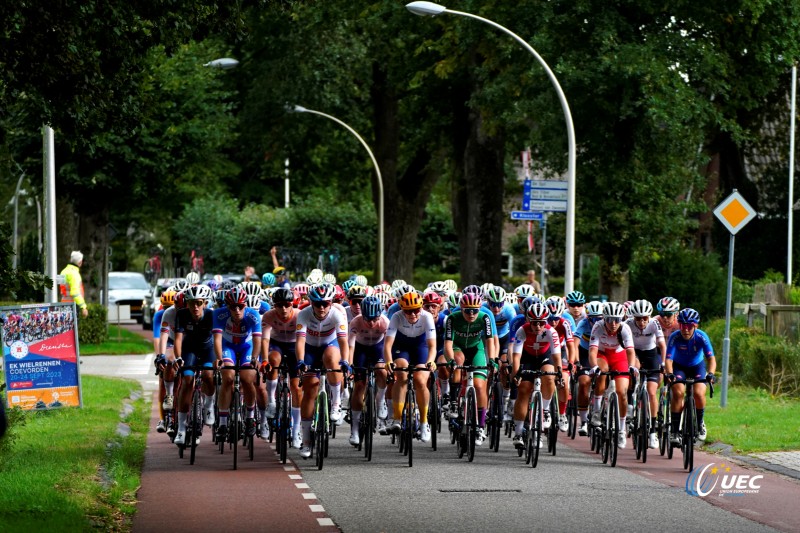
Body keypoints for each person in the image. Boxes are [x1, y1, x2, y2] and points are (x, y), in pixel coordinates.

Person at [295, 283, 349, 459]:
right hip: (310, 349)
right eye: (317, 304)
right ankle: (306, 441)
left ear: (331, 302)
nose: (322, 308)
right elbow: (300, 341)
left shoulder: (337, 314)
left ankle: (336, 404)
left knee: (333, 357)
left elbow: (343, 342)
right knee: (309, 389)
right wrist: (301, 361)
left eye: (326, 303)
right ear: (311, 302)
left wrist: (346, 361)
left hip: (330, 346)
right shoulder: (303, 314)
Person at [443, 292, 497, 446]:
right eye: (467, 310)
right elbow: (447, 344)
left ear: (480, 308)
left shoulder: (484, 317)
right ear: (461, 308)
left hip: (476, 349)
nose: (471, 314)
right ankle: (454, 401)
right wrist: (451, 360)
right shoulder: (453, 318)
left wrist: (492, 360)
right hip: (457, 347)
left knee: (480, 385)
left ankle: (480, 426)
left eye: (475, 310)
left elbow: (489, 341)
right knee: (458, 361)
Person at [213, 286, 262, 441]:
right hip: (228, 346)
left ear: (245, 305)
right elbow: (217, 340)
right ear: (227, 307)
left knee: (248, 378)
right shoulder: (219, 314)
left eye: (240, 306)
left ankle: (250, 418)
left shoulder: (253, 315)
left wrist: (255, 358)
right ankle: (222, 424)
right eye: (233, 307)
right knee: (227, 378)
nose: (237, 310)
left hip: (248, 347)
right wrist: (219, 358)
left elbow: (257, 340)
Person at [510, 302, 561, 450]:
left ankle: (545, 410)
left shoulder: (551, 332)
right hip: (527, 358)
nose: (538, 326)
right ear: (528, 321)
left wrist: (559, 374)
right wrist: (516, 373)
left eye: (541, 323)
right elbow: (516, 356)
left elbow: (557, 356)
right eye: (534, 323)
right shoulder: (522, 330)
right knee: (524, 390)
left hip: (545, 357)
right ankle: (519, 432)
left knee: (549, 377)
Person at [588, 301, 636, 450]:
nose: (613, 323)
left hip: (619, 356)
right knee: (602, 371)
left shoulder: (625, 328)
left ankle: (621, 429)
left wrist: (632, 366)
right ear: (604, 319)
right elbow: (592, 351)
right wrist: (594, 366)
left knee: (622, 392)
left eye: (617, 319)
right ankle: (596, 410)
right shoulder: (598, 326)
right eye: (609, 319)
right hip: (602, 355)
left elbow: (630, 351)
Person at [665, 308, 716, 445]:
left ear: (695, 326)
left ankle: (700, 423)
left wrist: (711, 374)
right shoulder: (675, 337)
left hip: (696, 366)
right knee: (678, 392)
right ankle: (675, 430)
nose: (685, 330)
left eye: (689, 326)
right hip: (679, 367)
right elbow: (668, 360)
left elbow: (711, 359)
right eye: (682, 326)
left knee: (699, 393)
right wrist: (669, 373)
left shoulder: (701, 336)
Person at [59, 251, 88, 318]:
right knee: (74, 327)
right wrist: (83, 306)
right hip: (73, 307)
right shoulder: (74, 274)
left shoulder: (63, 271)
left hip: (63, 305)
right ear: (80, 262)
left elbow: (62, 290)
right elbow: (75, 293)